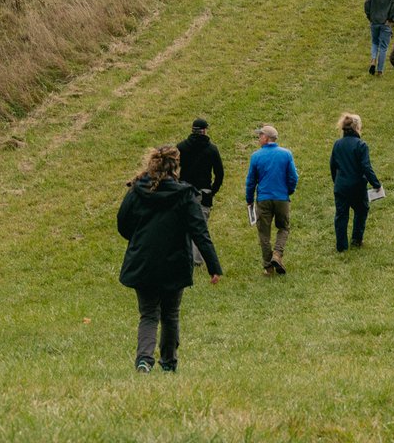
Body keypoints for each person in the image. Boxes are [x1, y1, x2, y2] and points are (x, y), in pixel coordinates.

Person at [118, 145, 222, 373]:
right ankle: (168, 362)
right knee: (170, 314)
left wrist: (139, 238)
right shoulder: (184, 194)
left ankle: (144, 359)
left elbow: (123, 224)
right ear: (177, 167)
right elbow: (200, 232)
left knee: (148, 314)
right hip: (175, 261)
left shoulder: (137, 190)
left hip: (143, 260)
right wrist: (213, 266)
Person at [245, 124, 299, 275]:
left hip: (263, 199)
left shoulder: (256, 156)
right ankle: (277, 254)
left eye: (260, 135)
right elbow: (293, 177)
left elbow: (251, 181)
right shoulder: (286, 154)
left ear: (266, 138)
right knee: (283, 227)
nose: (258, 138)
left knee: (264, 234)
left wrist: (249, 199)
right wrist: (289, 190)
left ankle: (268, 267)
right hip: (282, 198)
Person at [329, 113, 382, 252]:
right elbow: (366, 167)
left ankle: (341, 246)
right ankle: (356, 239)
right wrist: (376, 184)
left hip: (341, 185)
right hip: (357, 186)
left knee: (341, 215)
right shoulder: (361, 145)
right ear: (357, 127)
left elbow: (332, 165)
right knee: (361, 210)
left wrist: (336, 181)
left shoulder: (337, 144)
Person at [176, 117, 224, 267]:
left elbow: (174, 170)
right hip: (203, 193)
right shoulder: (211, 149)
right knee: (201, 226)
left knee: (184, 224)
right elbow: (219, 174)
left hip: (184, 191)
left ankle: (185, 256)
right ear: (204, 131)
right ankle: (197, 259)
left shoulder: (181, 147)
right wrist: (212, 191)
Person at [364, 0, 394, 76]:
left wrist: (370, 16)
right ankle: (380, 70)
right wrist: (390, 20)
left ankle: (373, 60)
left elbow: (366, 4)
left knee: (374, 42)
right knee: (383, 47)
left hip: (374, 22)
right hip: (385, 24)